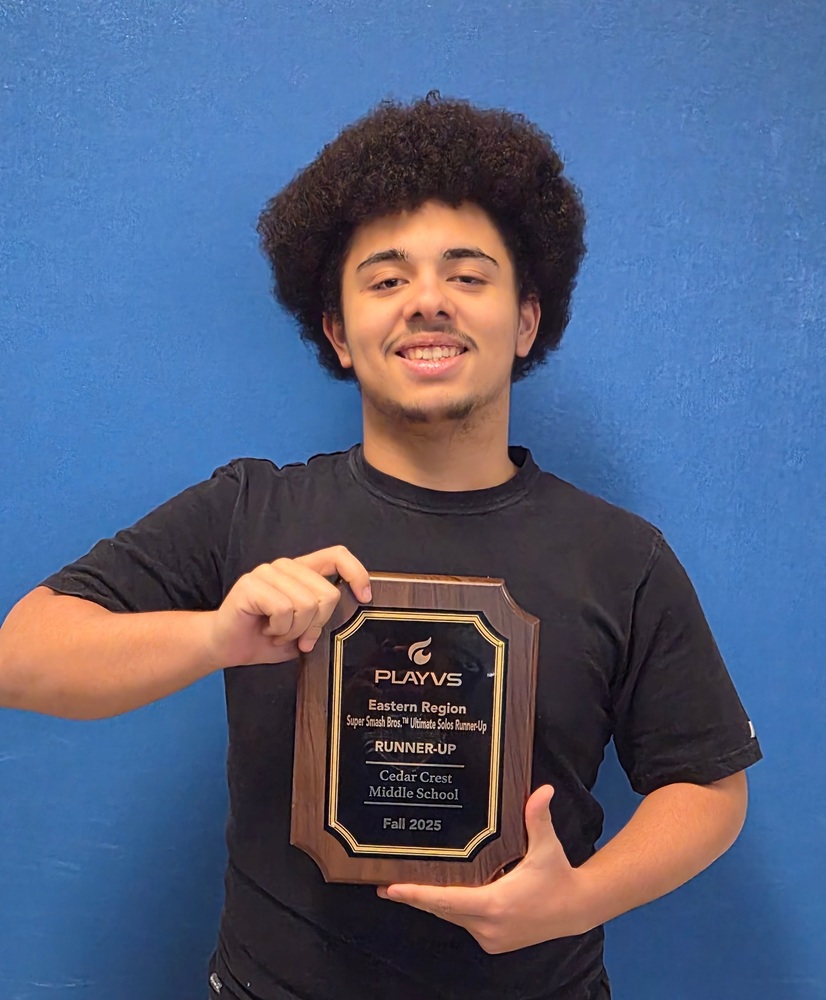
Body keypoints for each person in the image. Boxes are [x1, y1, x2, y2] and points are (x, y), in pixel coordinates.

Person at [0, 92, 762, 1000]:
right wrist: (217, 637)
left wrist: (576, 901)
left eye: (469, 275)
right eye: (387, 278)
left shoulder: (621, 555)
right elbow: (22, 654)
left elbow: (709, 787)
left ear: (525, 321)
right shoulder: (251, 510)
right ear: (338, 330)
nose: (428, 302)